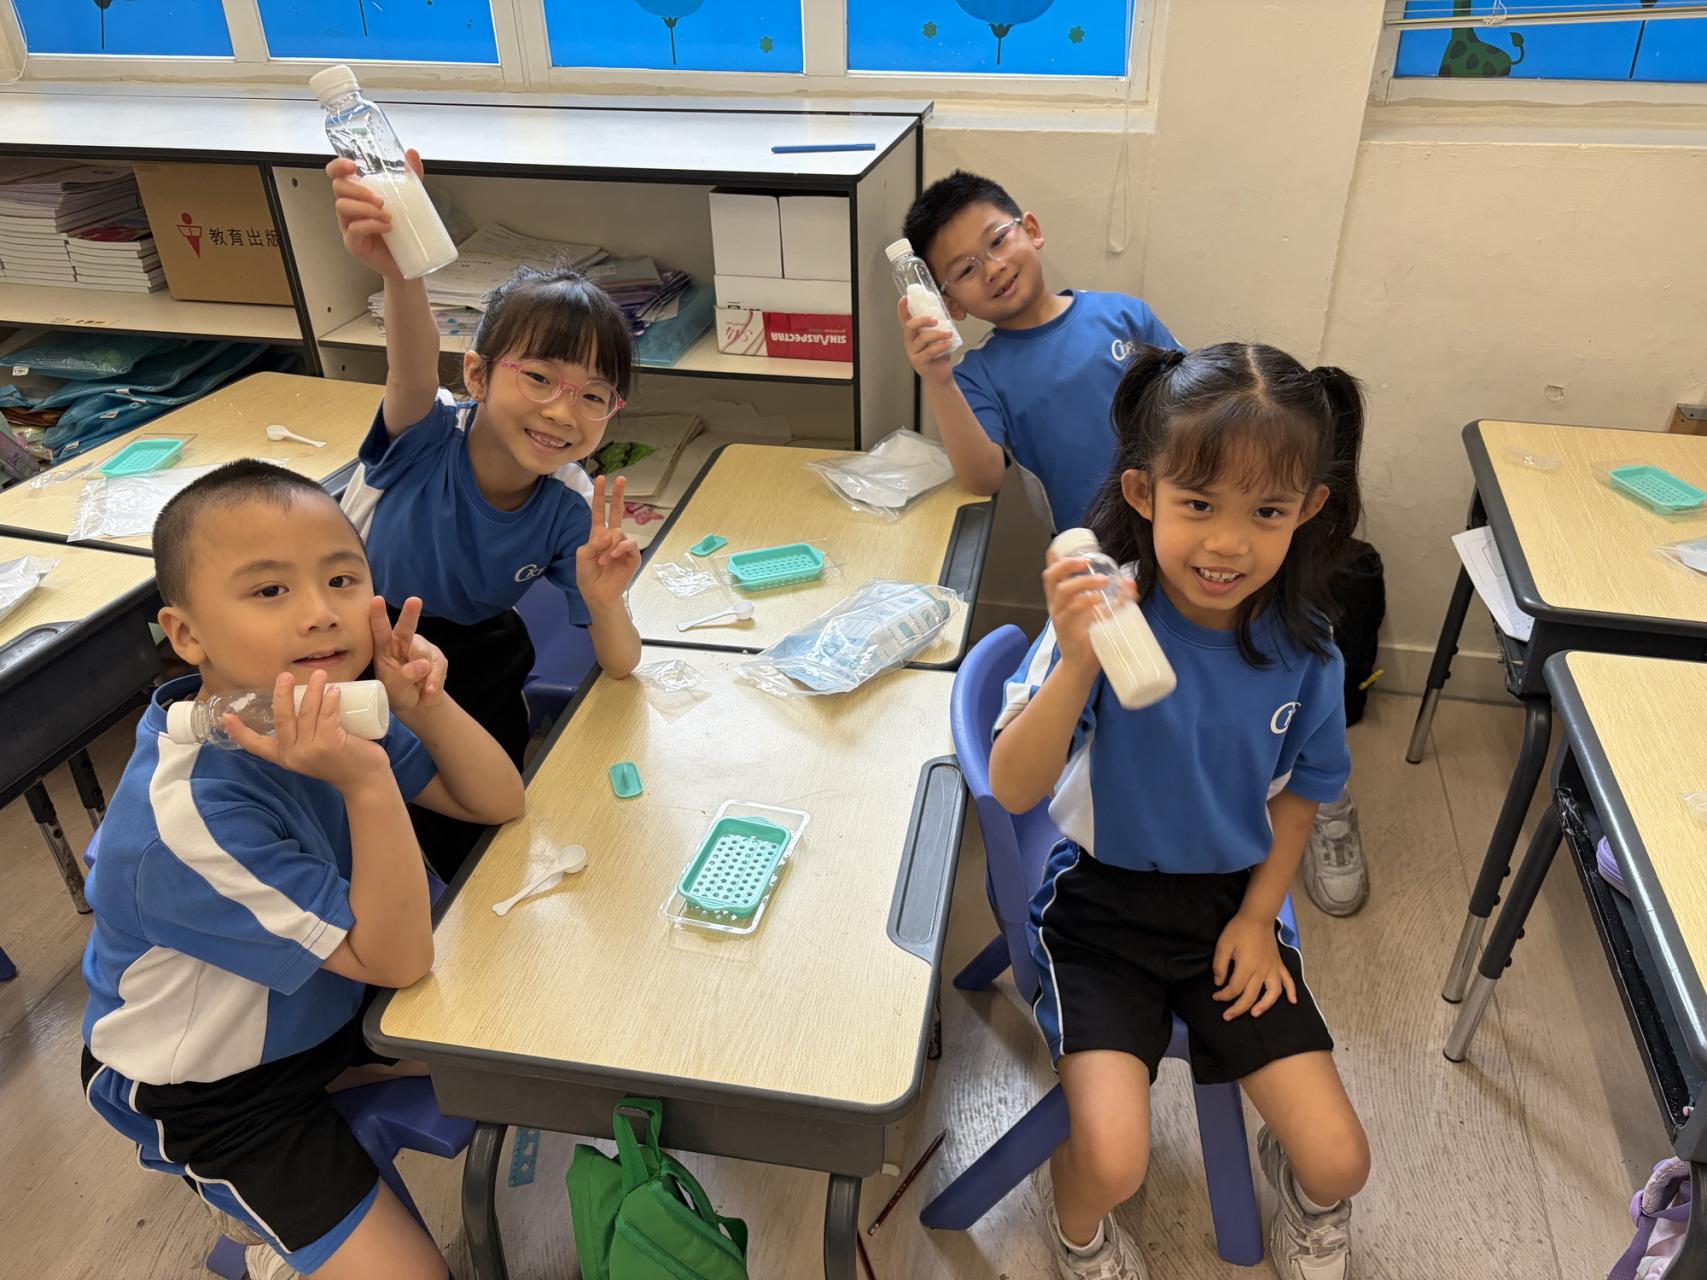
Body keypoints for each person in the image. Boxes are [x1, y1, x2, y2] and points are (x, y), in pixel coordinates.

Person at [80, 461, 526, 1280]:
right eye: (270, 590)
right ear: (186, 635)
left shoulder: (319, 705)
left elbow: (496, 800)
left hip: (328, 1009)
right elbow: (400, 959)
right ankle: (264, 1243)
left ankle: (336, 1098)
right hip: (216, 1089)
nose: (321, 612)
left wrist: (423, 702)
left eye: (341, 579)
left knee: (534, 1048)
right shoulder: (187, 822)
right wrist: (366, 783)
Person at [989, 344, 1372, 1280]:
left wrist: (1257, 917)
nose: (1227, 543)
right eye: (1198, 503)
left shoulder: (1308, 653)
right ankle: (1076, 1231)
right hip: (1098, 911)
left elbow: (1304, 794)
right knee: (1112, 1162)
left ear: (1307, 511)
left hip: (1225, 908)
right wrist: (1075, 661)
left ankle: (1299, 1188)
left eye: (1265, 511)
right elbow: (1011, 786)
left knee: (1339, 1162)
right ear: (1143, 492)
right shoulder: (1104, 620)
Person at [329, 151, 641, 876]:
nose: (562, 411)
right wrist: (400, 272)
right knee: (378, 822)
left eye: (593, 395)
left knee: (484, 833)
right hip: (367, 645)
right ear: (476, 374)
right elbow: (410, 367)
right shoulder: (425, 436)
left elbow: (621, 664)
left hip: (479, 656)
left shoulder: (569, 506)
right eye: (538, 377)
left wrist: (606, 602)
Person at [895, 168, 1180, 534]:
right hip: (1089, 548)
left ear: (1031, 230)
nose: (993, 269)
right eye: (966, 270)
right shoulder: (976, 375)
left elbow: (1196, 406)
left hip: (1181, 525)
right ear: (950, 304)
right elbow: (984, 479)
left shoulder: (1125, 315)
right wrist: (938, 381)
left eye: (998, 241)